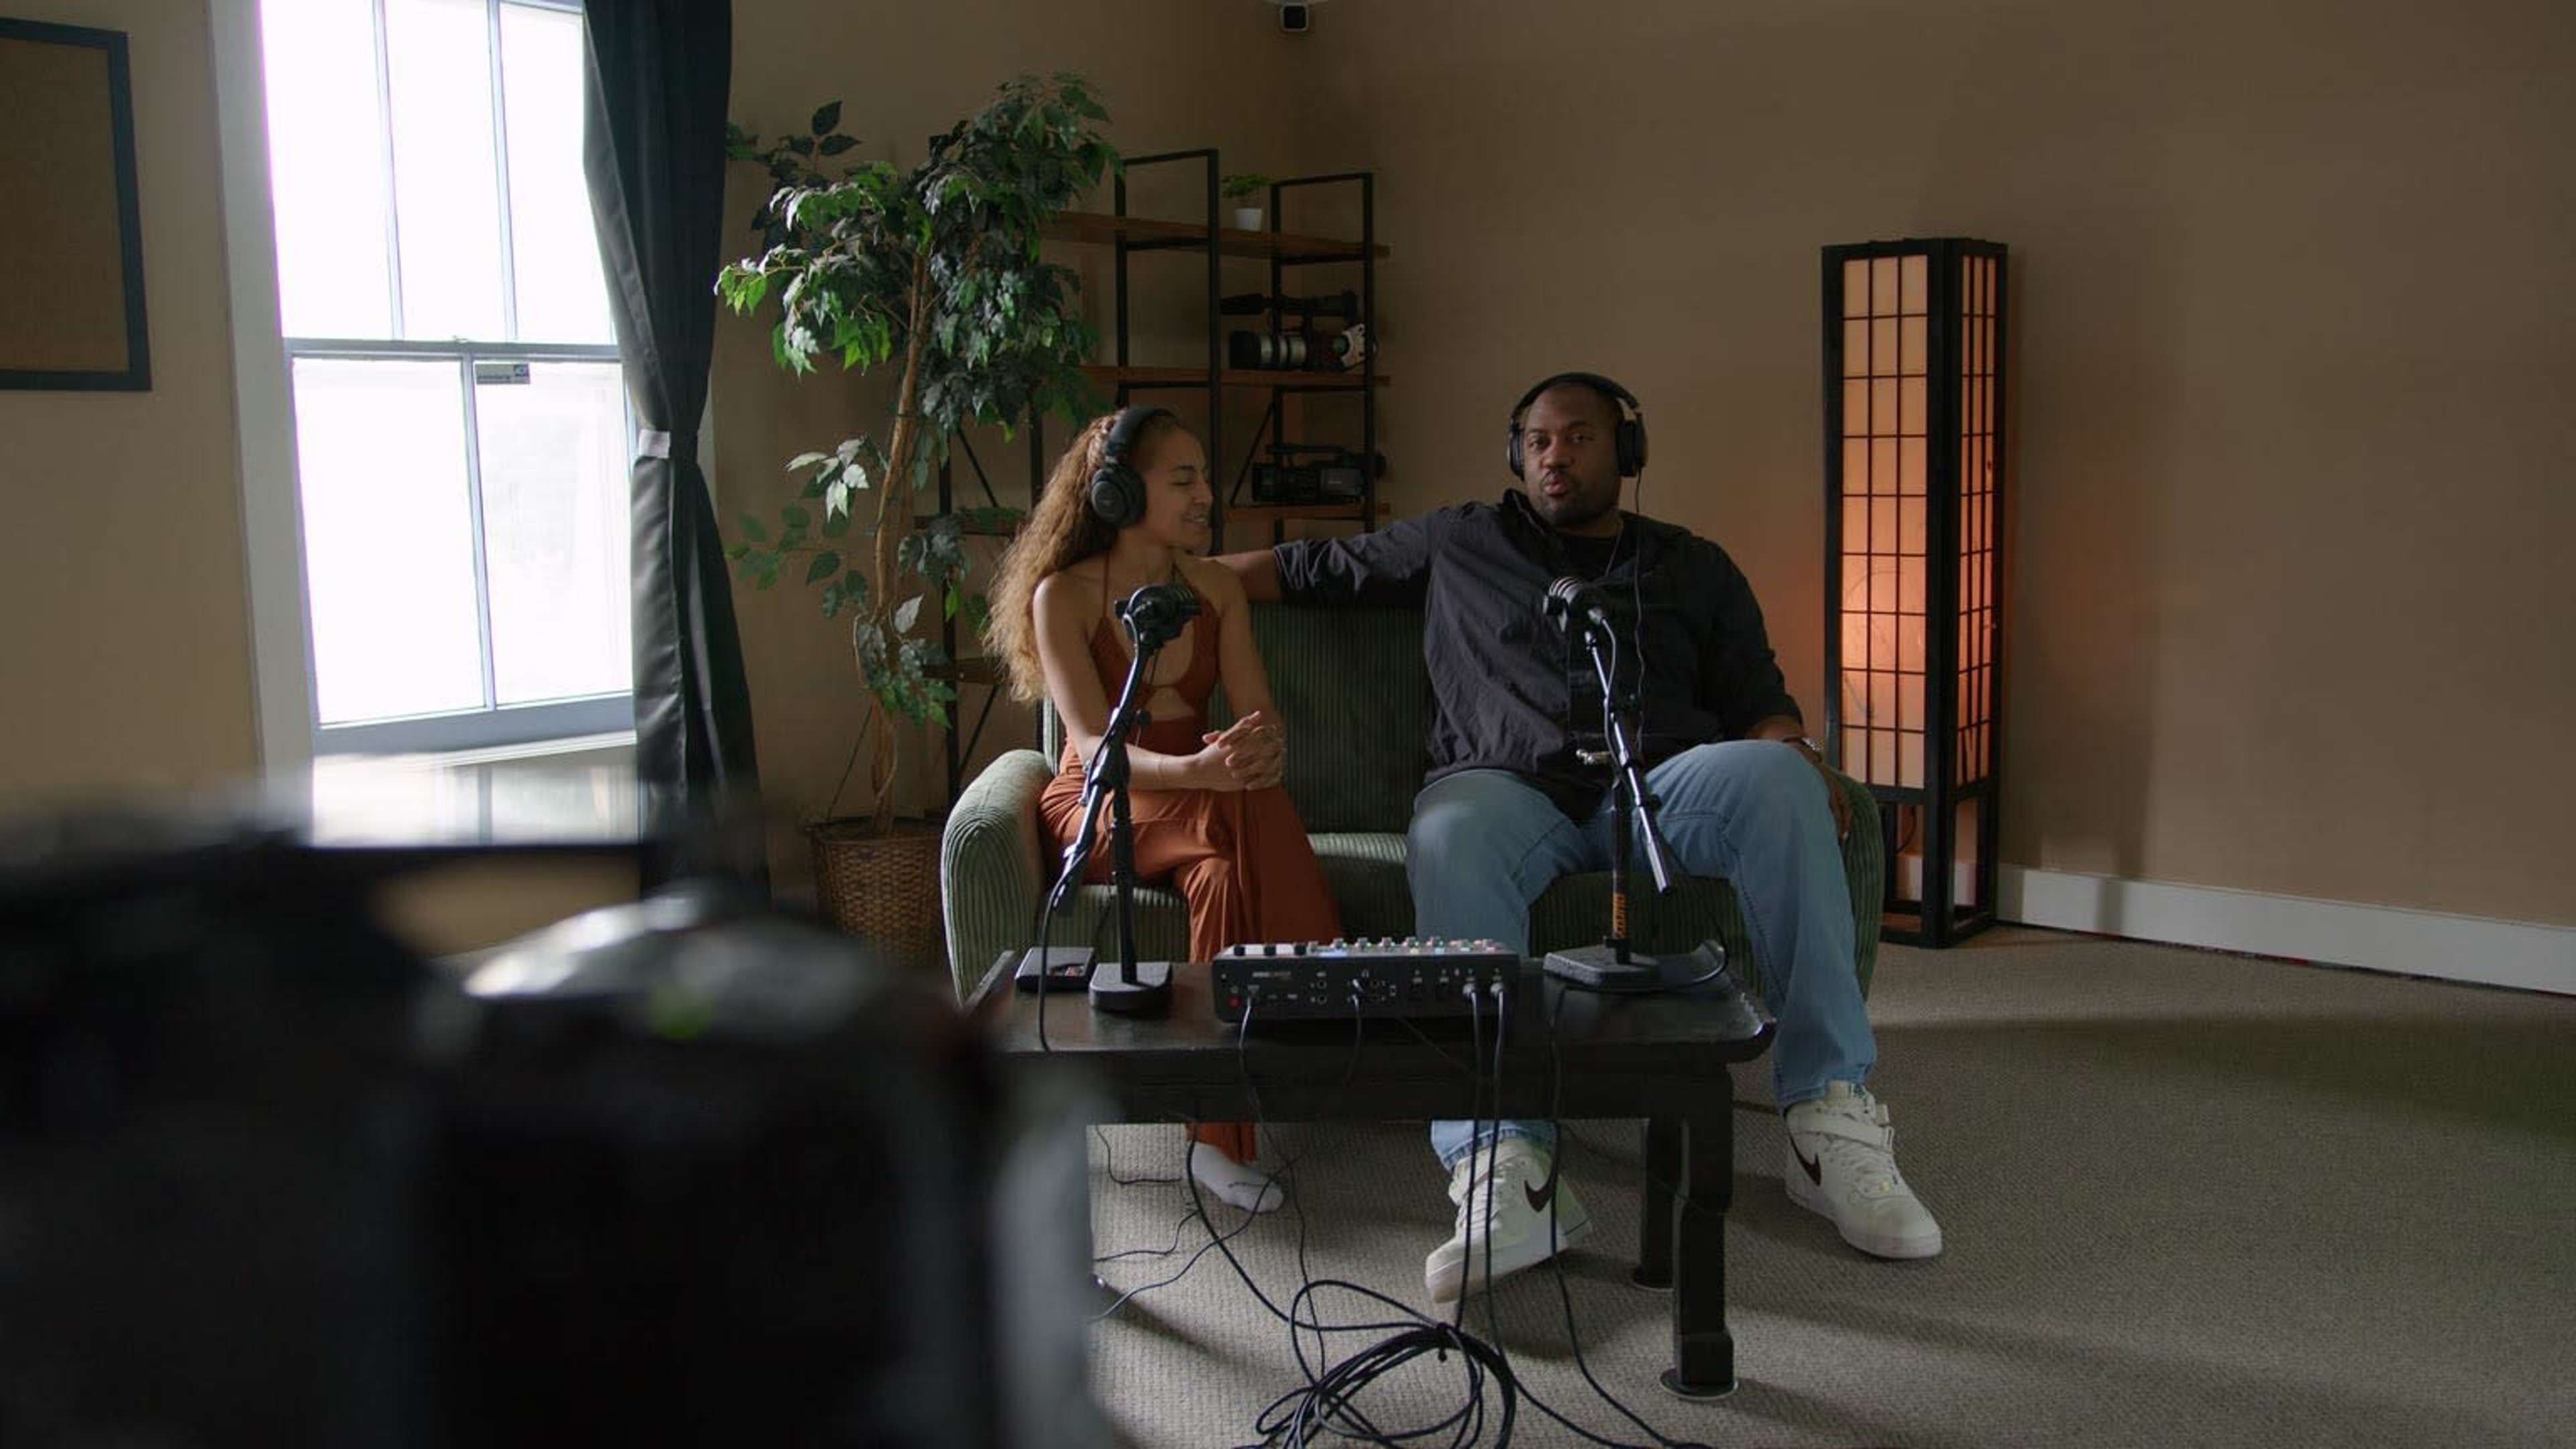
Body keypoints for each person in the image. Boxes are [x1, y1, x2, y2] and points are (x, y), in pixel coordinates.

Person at [1217, 372, 1942, 1299]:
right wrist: (1154, 574)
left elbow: (1758, 697)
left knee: (1782, 781)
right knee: (1449, 830)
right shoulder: (1458, 541)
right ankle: (1505, 1158)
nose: (1555, 455)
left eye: (1580, 437)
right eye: (1539, 439)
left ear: (1628, 451)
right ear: (1517, 453)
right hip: (1506, 790)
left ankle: (1826, 1116)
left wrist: (1788, 748)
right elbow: (1300, 571)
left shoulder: (1694, 565)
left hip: (1662, 787)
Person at [987, 406, 1343, 1213]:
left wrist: (1263, 749)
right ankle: (1333, 1009)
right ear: (1117, 492)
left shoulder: (1216, 586)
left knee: (1221, 866)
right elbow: (1095, 746)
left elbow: (1257, 711)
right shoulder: (1062, 597)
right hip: (1100, 801)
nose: (1205, 495)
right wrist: (1205, 772)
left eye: (1204, 478)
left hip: (1200, 801)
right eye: (1183, 479)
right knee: (1237, 811)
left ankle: (1212, 1137)